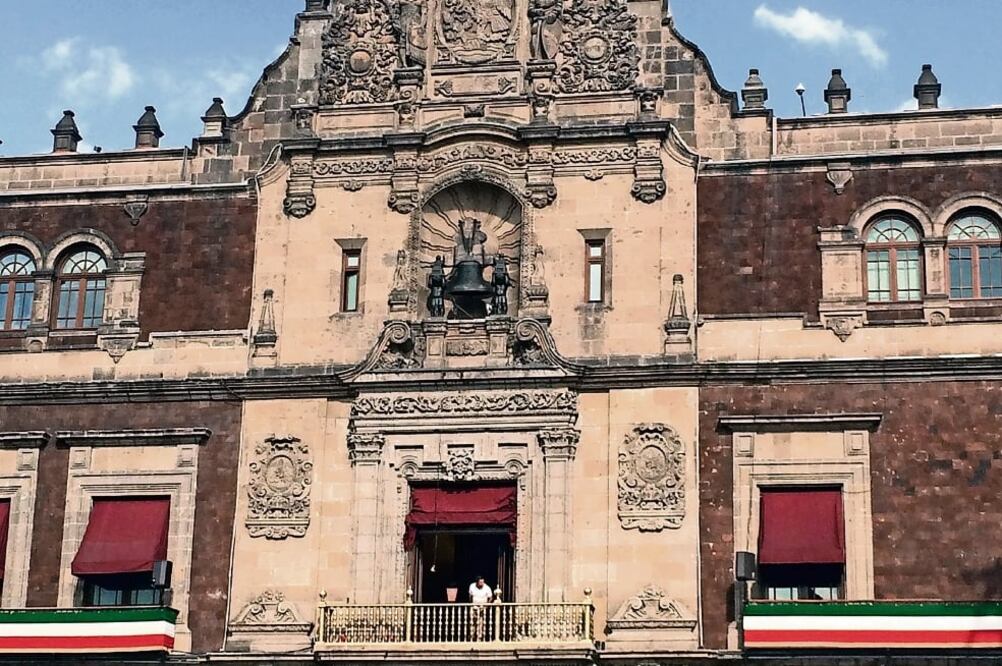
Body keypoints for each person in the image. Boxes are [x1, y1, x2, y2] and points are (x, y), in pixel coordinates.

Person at [468, 576, 493, 640]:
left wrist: (486, 605)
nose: (482, 584)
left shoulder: (487, 588)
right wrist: (471, 604)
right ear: (477, 582)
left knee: (480, 623)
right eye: (480, 582)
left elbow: (490, 597)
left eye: (483, 582)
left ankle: (479, 637)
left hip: (482, 607)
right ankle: (471, 636)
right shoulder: (472, 586)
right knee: (472, 622)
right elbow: (470, 596)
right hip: (474, 607)